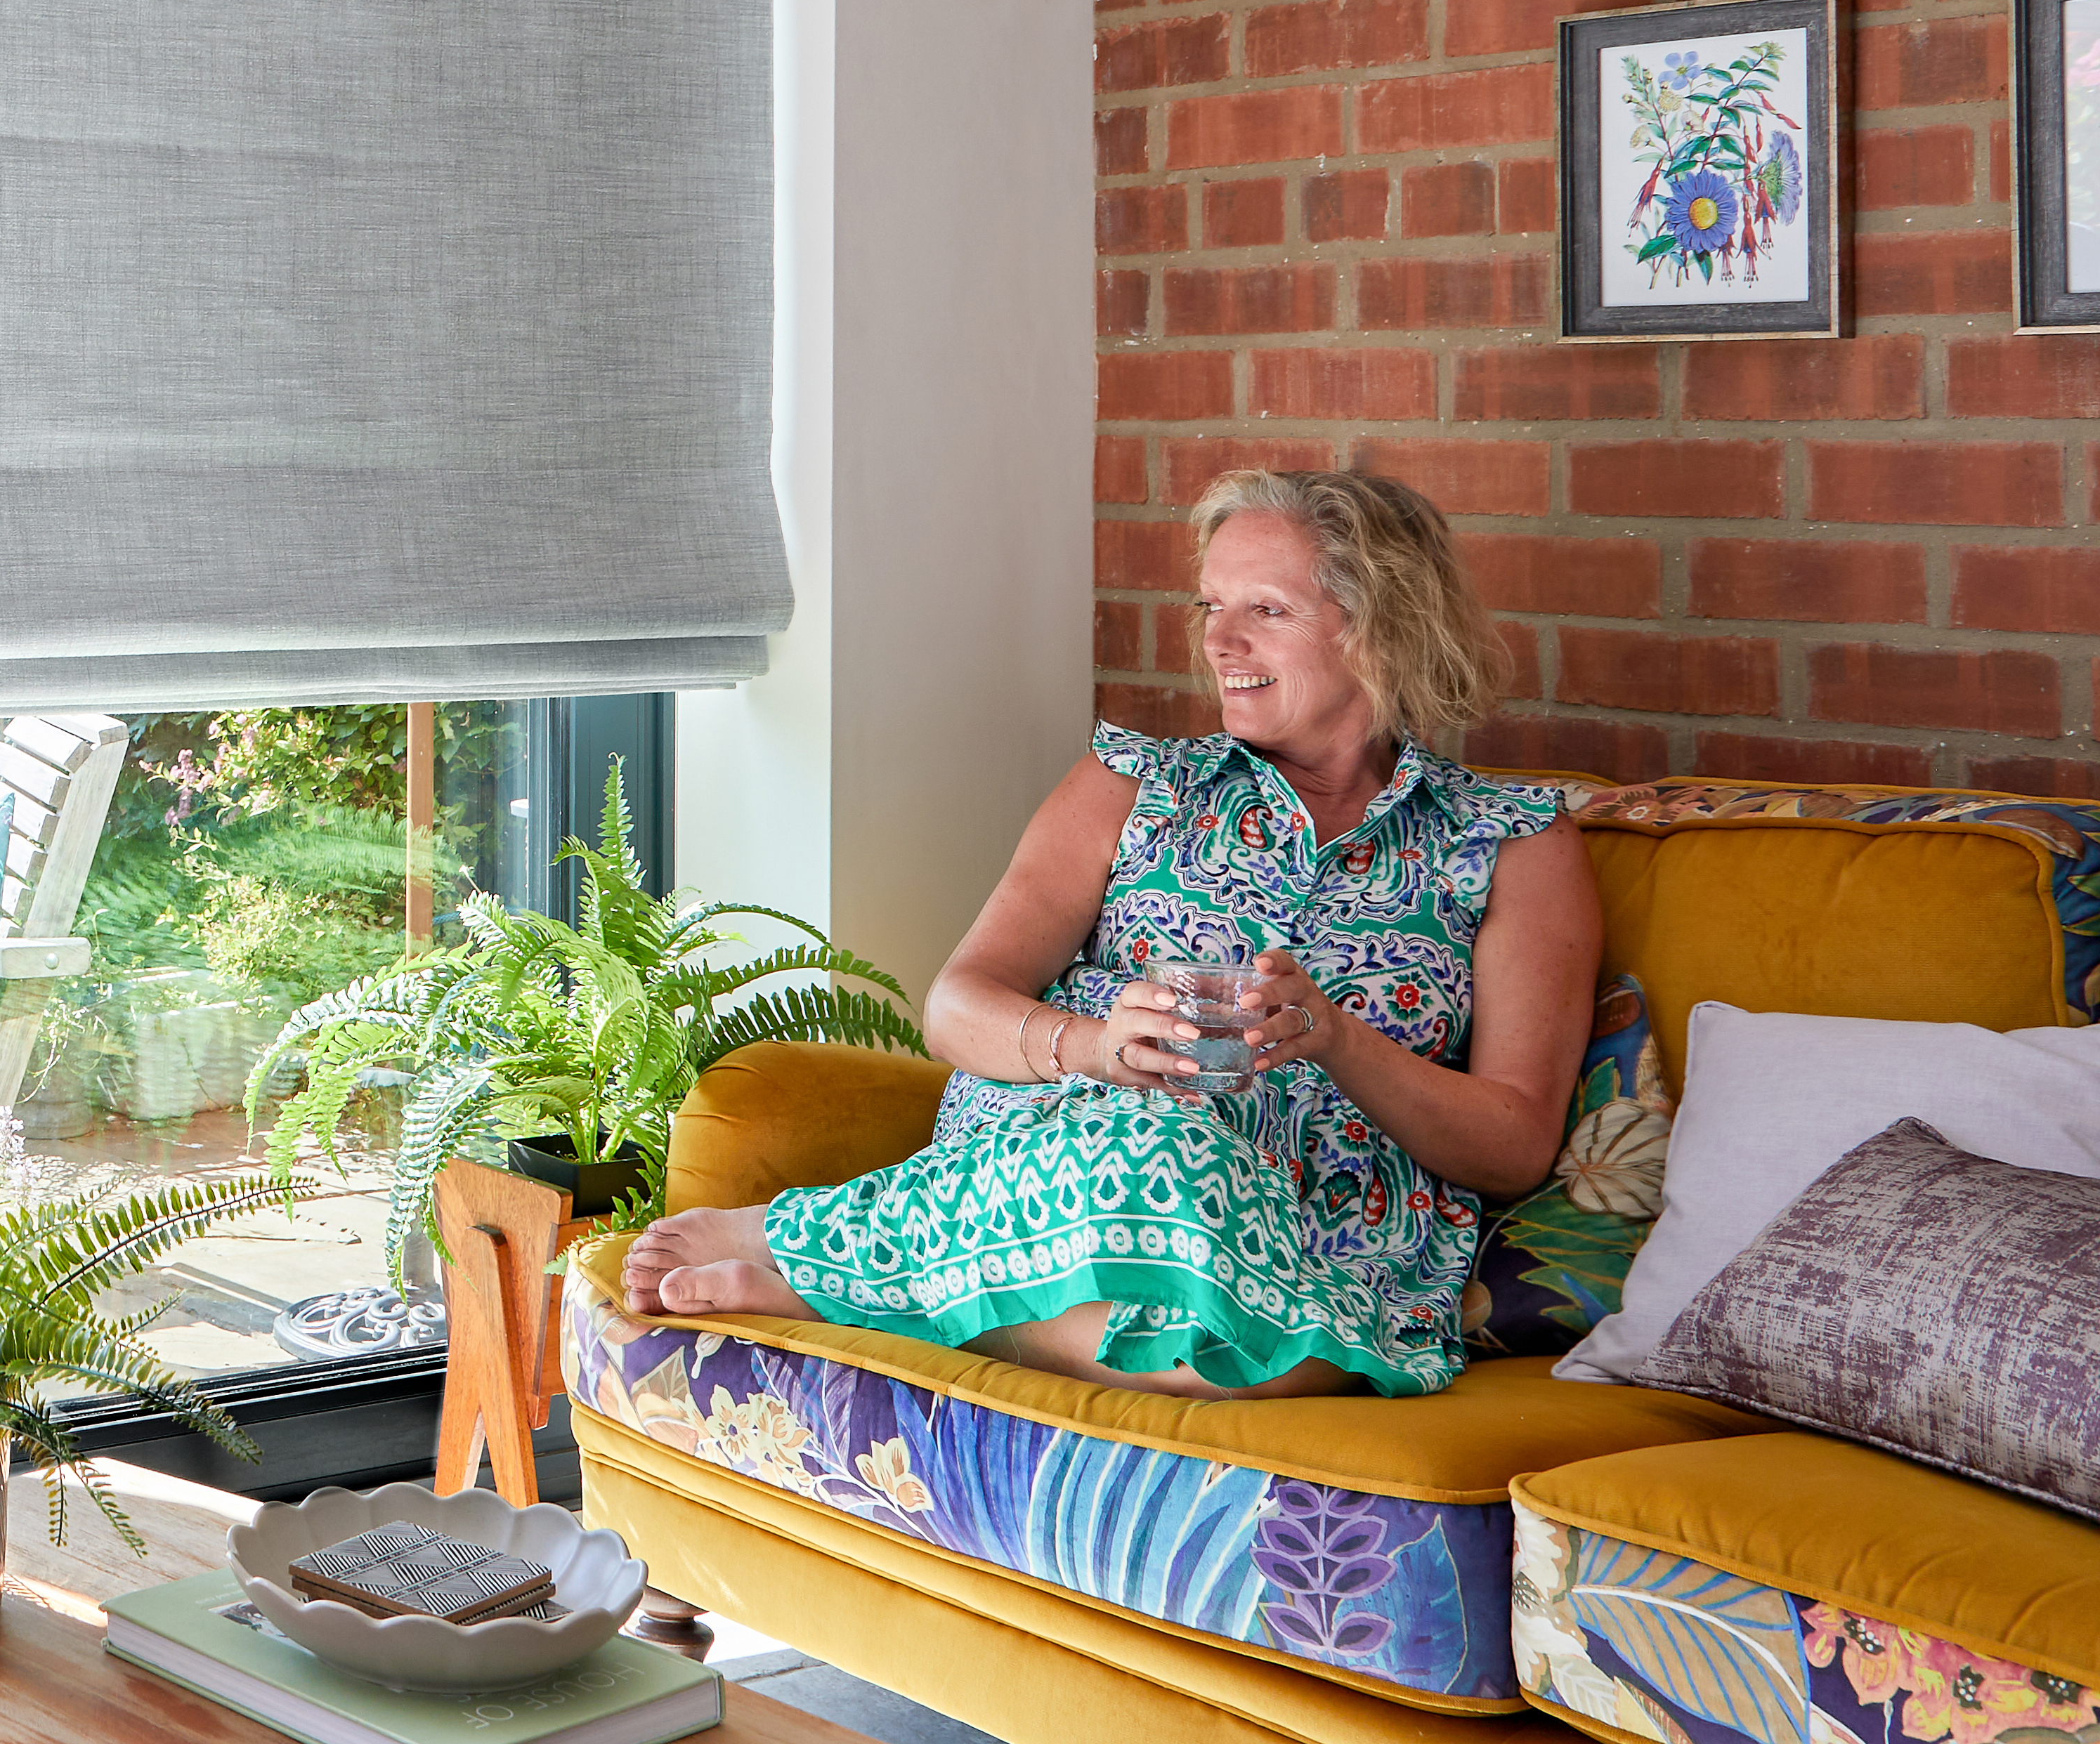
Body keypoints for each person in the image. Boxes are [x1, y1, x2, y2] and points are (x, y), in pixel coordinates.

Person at [618, 468, 1597, 1399]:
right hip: (1085, 1167)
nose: (1220, 642)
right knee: (1165, 1142)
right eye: (1211, 608)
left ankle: (849, 1280)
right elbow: (956, 1008)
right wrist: (1096, 1049)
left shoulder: (1512, 843)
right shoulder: (1133, 786)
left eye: (1266, 610)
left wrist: (1338, 1040)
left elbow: (1514, 1146)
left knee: (1271, 1357)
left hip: (1329, 1236)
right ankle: (840, 1251)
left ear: (1382, 629)